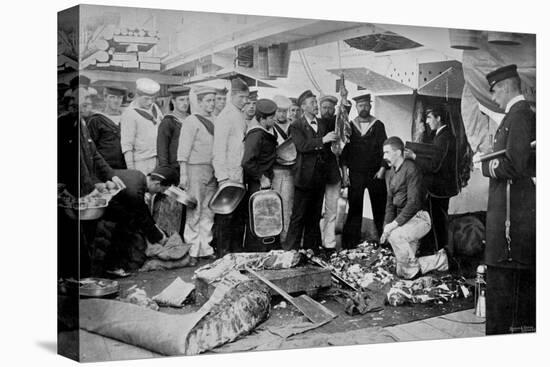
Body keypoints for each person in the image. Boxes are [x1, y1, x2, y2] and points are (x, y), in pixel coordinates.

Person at [477, 64, 536, 335]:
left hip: (511, 228)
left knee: (507, 301)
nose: (495, 97)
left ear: (504, 87)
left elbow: (515, 165)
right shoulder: (514, 116)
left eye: (495, 92)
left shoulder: (520, 116)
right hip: (506, 223)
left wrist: (487, 165)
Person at [380, 137, 448, 279]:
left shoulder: (411, 169)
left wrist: (392, 226)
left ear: (398, 152)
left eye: (387, 152)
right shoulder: (392, 172)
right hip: (405, 222)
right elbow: (389, 204)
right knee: (401, 271)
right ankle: (440, 261)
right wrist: (385, 227)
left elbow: (414, 203)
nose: (384, 157)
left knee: (395, 236)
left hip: (420, 219)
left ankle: (422, 266)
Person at [285, 90, 339, 250]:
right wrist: (323, 140)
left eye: (316, 103)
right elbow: (302, 146)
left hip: (319, 177)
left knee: (314, 216)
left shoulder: (322, 123)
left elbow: (339, 120)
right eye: (313, 103)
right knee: (298, 215)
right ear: (303, 106)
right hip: (304, 177)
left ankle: (311, 249)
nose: (316, 106)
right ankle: (290, 249)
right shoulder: (296, 125)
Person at [405, 105, 458, 251]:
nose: (427, 122)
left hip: (439, 190)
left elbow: (434, 165)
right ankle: (438, 251)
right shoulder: (441, 135)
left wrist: (413, 156)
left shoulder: (443, 137)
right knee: (437, 221)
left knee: (437, 222)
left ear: (438, 118)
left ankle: (439, 252)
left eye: (429, 118)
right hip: (440, 188)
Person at [178, 86, 218, 266]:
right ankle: (192, 250)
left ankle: (206, 248)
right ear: (199, 102)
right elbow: (183, 149)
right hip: (194, 169)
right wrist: (183, 173)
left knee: (209, 210)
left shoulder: (216, 120)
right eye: (208, 100)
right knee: (194, 209)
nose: (211, 103)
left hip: (212, 170)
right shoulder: (191, 121)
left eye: (213, 100)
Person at [341, 93, 388, 248]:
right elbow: (345, 151)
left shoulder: (378, 125)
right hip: (356, 173)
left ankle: (384, 240)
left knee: (380, 207)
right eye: (361, 105)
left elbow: (385, 148)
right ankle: (350, 243)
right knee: (354, 207)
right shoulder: (350, 126)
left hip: (375, 173)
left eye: (367, 105)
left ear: (370, 106)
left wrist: (382, 169)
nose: (364, 108)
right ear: (356, 107)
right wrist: (345, 173)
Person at [212, 77, 250, 256]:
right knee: (225, 217)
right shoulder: (225, 116)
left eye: (246, 97)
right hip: (228, 176)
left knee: (237, 217)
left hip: (239, 175)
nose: (245, 101)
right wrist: (222, 178)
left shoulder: (239, 114)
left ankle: (235, 253)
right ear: (232, 95)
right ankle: (223, 254)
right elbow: (218, 149)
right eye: (242, 97)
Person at [242, 99, 279, 251]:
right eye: (271, 117)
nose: (274, 119)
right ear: (262, 119)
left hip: (265, 182)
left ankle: (266, 251)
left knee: (266, 218)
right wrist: (262, 177)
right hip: (258, 184)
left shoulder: (265, 132)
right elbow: (247, 162)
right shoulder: (256, 135)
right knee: (258, 219)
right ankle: (256, 252)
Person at [318, 93, 350, 250]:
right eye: (324, 107)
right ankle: (315, 242)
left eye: (330, 108)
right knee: (316, 211)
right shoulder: (314, 124)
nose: (327, 111)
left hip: (332, 175)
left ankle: (329, 244)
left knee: (331, 211)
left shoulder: (337, 126)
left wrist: (344, 174)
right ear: (319, 108)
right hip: (315, 176)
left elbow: (343, 152)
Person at [120, 78, 163, 175]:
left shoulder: (154, 107)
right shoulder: (129, 114)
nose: (150, 102)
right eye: (146, 98)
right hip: (141, 163)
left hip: (158, 159)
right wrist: (132, 171)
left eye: (152, 98)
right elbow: (127, 145)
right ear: (137, 95)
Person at [271, 95, 295, 243]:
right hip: (277, 170)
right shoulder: (270, 126)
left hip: (292, 170)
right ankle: (277, 239)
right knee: (277, 206)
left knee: (288, 206)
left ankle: (285, 238)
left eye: (284, 111)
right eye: (279, 111)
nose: (282, 115)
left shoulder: (293, 124)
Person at [87, 84, 128, 169]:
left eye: (119, 98)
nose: (116, 101)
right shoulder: (96, 120)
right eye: (112, 97)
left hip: (125, 167)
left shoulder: (127, 118)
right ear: (105, 98)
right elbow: (90, 148)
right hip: (104, 168)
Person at [157, 86, 191, 185]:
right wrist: (166, 173)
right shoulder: (168, 122)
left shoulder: (192, 119)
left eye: (187, 99)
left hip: (191, 167)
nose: (185, 103)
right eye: (181, 100)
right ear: (173, 101)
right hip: (175, 169)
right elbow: (162, 150)